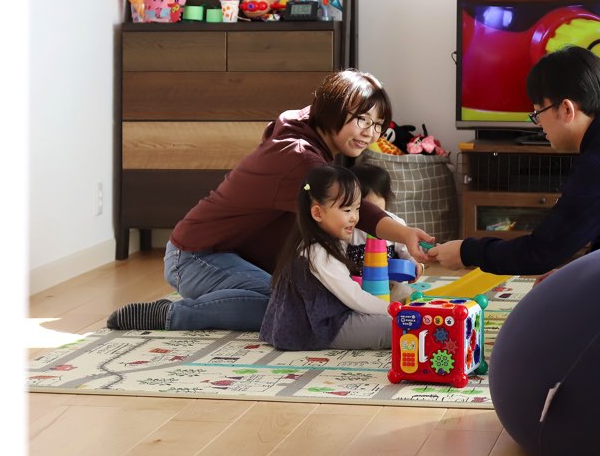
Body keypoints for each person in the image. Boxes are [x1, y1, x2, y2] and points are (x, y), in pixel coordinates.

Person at [107, 69, 434, 332]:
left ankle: (228, 296)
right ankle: (173, 316)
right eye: (362, 119)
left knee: (300, 296)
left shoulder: (309, 131)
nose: (369, 133)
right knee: (285, 306)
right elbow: (353, 210)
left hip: (236, 257)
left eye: (377, 125)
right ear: (333, 111)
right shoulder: (299, 158)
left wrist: (399, 243)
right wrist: (403, 235)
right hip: (196, 258)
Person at [428, 45, 600, 276]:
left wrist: (466, 251)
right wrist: (572, 272)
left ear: (566, 109)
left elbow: (538, 254)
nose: (538, 124)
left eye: (538, 113)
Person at [260, 165, 395, 350]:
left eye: (357, 209)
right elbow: (354, 297)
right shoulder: (318, 252)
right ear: (317, 213)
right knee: (400, 328)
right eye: (347, 210)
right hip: (323, 329)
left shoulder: (320, 241)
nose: (355, 218)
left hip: (329, 320)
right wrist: (395, 311)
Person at [349, 163, 424, 301]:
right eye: (363, 210)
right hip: (354, 286)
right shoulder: (347, 227)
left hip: (388, 285)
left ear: (386, 199)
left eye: (375, 209)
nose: (369, 216)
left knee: (407, 294)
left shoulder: (395, 224)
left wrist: (415, 263)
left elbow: (407, 251)